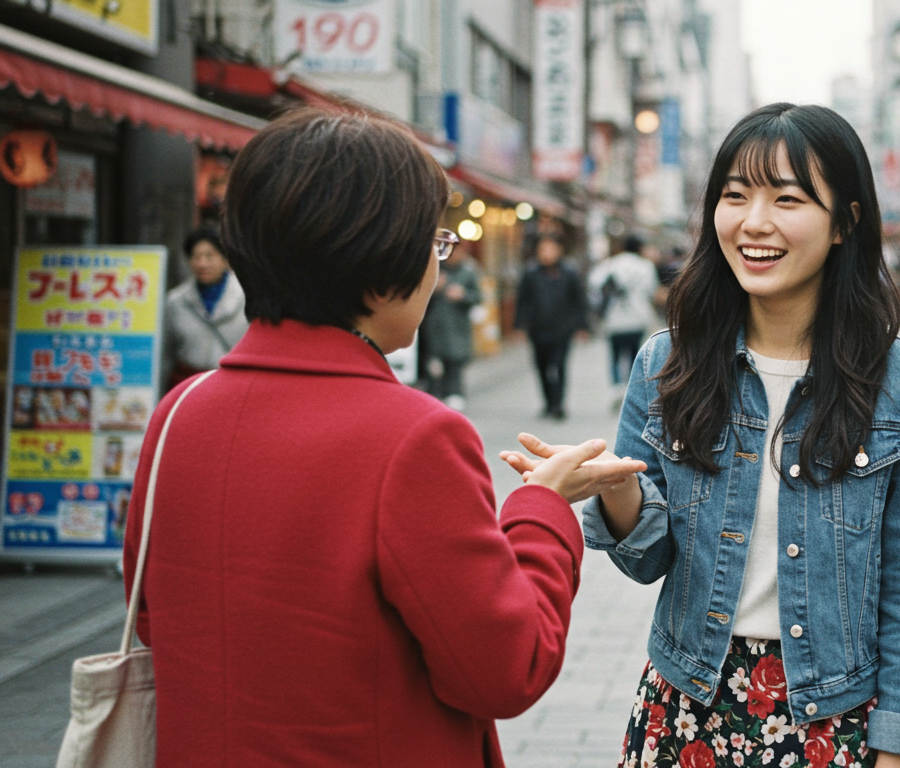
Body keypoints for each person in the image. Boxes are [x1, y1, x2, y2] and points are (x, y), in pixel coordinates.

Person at [123, 109, 645, 768]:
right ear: (378, 270)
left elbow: (153, 620)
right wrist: (540, 508)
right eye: (435, 244)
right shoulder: (414, 436)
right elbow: (505, 669)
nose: (438, 264)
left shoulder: (179, 413)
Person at [503, 103, 900, 768]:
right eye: (735, 195)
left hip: (834, 721)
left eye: (788, 199)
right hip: (687, 709)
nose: (753, 223)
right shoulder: (667, 364)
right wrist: (615, 493)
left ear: (846, 222)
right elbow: (647, 560)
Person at [162, 225, 249, 391]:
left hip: (232, 387)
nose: (202, 263)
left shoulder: (246, 298)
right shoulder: (176, 301)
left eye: (210, 256)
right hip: (186, 387)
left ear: (225, 259)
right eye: (196, 256)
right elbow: (166, 354)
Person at [515, 233, 589, 419]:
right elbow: (522, 301)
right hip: (537, 328)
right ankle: (548, 403)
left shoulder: (569, 272)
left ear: (559, 250)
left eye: (550, 249)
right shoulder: (531, 273)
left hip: (562, 329)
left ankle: (558, 404)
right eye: (543, 249)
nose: (547, 253)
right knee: (541, 366)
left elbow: (579, 300)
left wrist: (582, 325)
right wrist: (519, 325)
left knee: (559, 365)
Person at [588, 234, 660, 399]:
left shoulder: (611, 263)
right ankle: (632, 389)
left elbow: (594, 283)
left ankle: (616, 387)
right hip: (638, 317)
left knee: (615, 354)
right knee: (635, 354)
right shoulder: (645, 266)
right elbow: (651, 290)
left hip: (615, 318)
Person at [419, 238, 483, 411]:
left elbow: (478, 297)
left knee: (455, 364)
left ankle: (454, 396)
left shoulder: (469, 271)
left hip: (457, 328)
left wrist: (463, 296)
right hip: (434, 328)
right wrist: (433, 288)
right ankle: (434, 400)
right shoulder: (436, 270)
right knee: (434, 366)